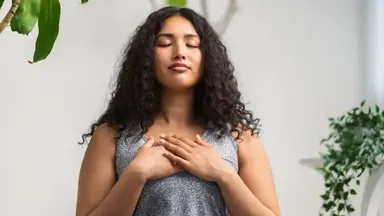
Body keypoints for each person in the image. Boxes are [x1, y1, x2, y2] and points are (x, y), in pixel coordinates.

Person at [75, 6, 280, 216]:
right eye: (165, 43)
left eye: (192, 44)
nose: (180, 53)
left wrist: (223, 174)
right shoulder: (111, 136)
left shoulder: (239, 137)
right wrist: (136, 174)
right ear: (146, 57)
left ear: (207, 57)